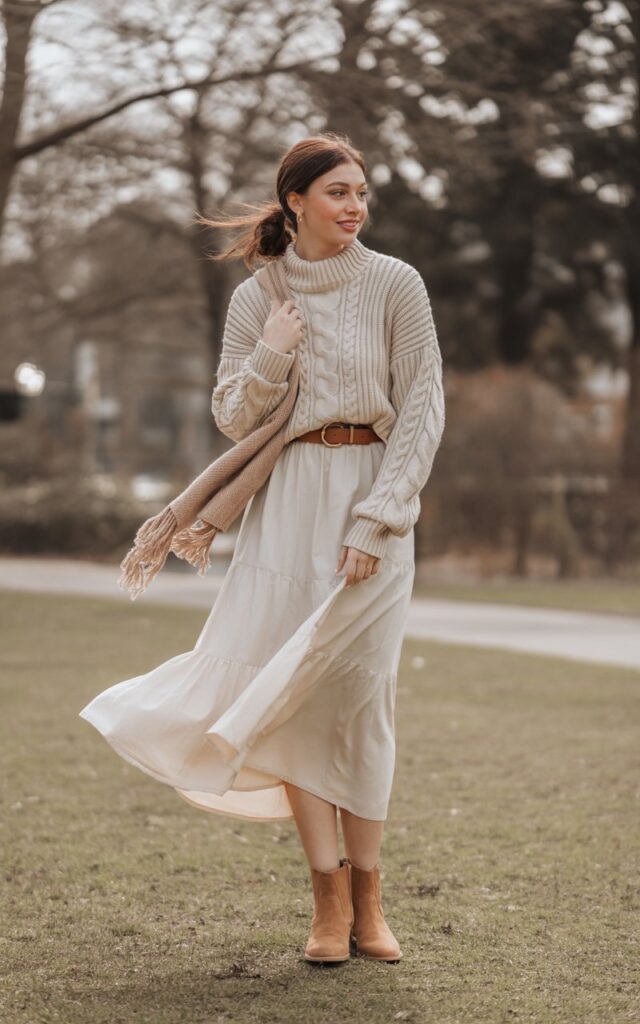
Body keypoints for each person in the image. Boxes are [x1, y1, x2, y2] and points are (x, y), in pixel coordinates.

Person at [79, 130, 445, 964]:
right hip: (286, 507)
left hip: (374, 497)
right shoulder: (259, 296)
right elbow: (233, 417)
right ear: (295, 201)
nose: (355, 207)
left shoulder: (397, 283)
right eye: (338, 192)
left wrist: (378, 519)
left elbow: (424, 409)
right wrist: (274, 352)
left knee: (363, 699)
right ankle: (328, 905)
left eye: (361, 193)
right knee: (292, 698)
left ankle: (371, 898)